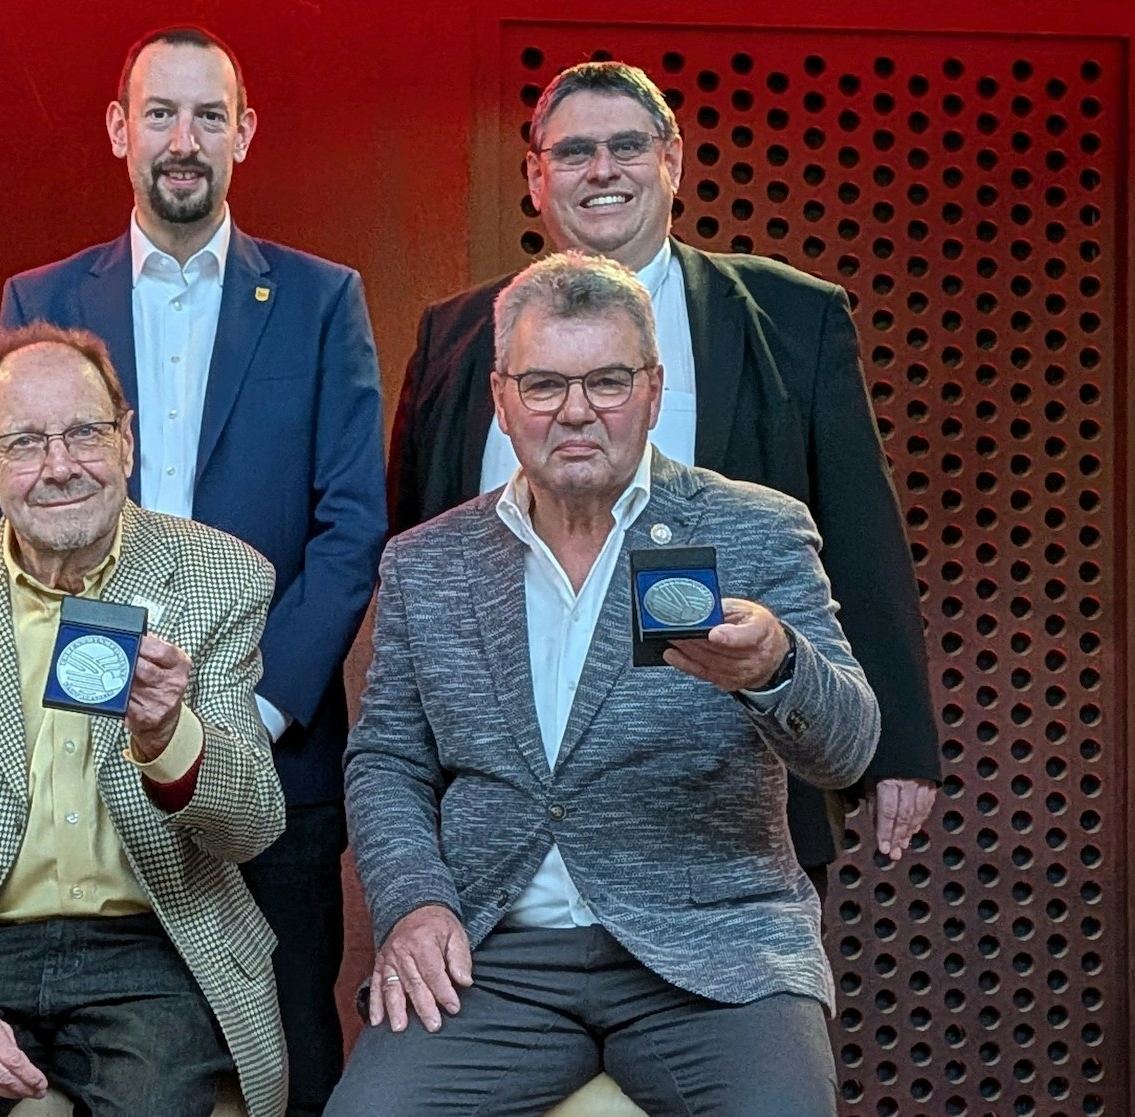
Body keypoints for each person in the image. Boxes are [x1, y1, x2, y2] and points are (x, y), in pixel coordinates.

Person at [331, 253, 879, 1115]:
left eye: (609, 381)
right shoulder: (426, 561)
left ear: (654, 391)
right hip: (494, 956)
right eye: (545, 384)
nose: (577, 410)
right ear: (501, 397)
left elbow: (849, 749)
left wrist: (775, 668)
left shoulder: (753, 528)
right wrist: (414, 902)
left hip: (712, 951)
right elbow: (388, 761)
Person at [387, 59, 937, 891]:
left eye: (626, 146)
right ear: (536, 179)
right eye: (572, 153)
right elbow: (418, 536)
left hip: (729, 797)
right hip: (510, 814)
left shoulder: (793, 317)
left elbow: (860, 533)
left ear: (672, 161)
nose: (601, 170)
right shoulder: (459, 335)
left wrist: (898, 743)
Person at [0, 30, 385, 1111]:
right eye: (159, 114)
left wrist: (259, 706)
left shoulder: (319, 298)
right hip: (75, 742)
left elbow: (349, 529)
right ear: (118, 131)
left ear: (243, 134)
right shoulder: (42, 299)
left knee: (283, 1053)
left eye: (207, 116)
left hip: (272, 747)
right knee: (109, 1062)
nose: (182, 140)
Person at [0, 322, 288, 1117]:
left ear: (125, 441)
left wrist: (168, 739)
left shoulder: (222, 576)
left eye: (84, 432)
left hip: (155, 940)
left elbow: (252, 821)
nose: (60, 467)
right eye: (24, 442)